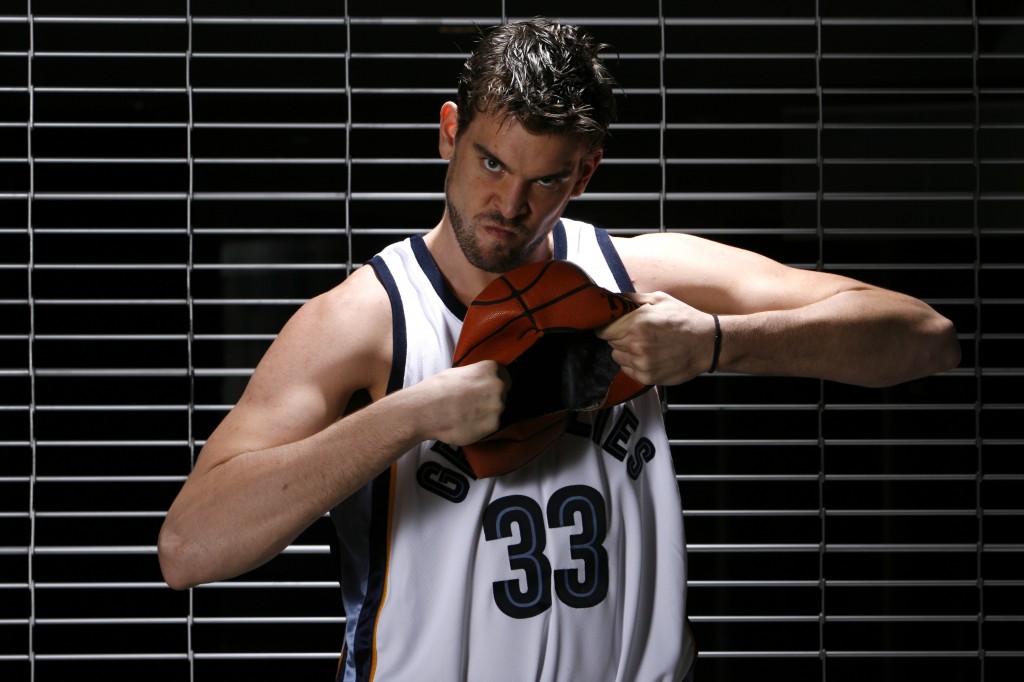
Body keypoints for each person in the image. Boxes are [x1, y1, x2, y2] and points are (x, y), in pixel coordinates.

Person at [158, 18, 960, 682]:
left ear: (585, 173)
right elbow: (190, 548)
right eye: (491, 162)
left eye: (546, 180)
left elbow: (926, 339)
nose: (509, 204)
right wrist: (412, 414)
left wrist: (715, 343)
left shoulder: (633, 274)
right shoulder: (366, 320)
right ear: (449, 133)